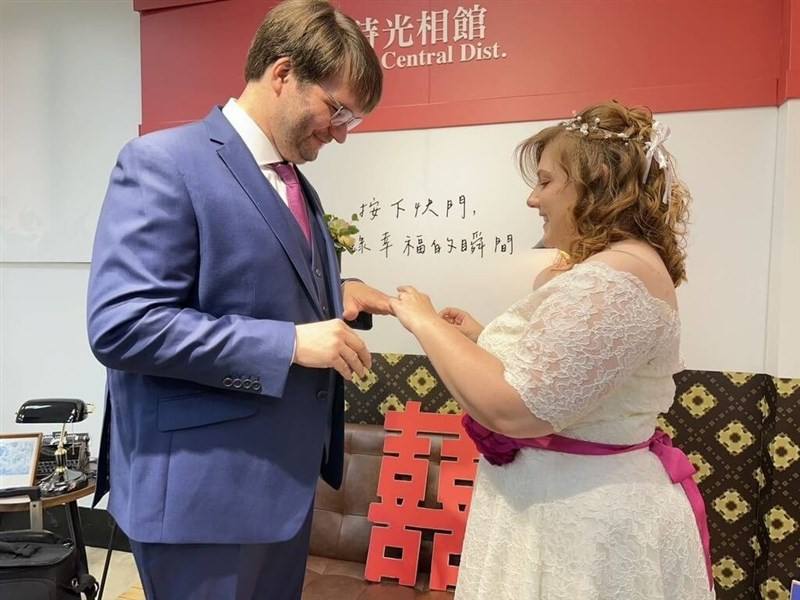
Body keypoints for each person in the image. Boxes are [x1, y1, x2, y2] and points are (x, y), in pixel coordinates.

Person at [86, 1, 390, 597]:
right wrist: (289, 343)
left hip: (281, 486)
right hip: (203, 497)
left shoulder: (296, 183)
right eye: (338, 110)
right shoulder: (163, 163)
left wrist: (338, 293)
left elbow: (251, 285)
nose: (340, 133)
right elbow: (123, 324)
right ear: (282, 73)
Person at [390, 100, 715, 599]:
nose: (531, 199)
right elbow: (564, 373)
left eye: (544, 182)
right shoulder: (613, 269)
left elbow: (517, 408)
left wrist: (424, 322)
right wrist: (480, 338)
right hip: (554, 505)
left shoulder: (618, 278)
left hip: (583, 524)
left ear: (595, 182)